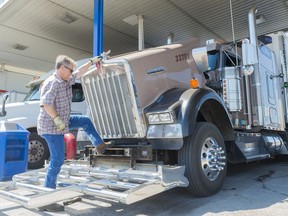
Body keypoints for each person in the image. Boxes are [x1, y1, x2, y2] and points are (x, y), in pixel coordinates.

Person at [37, 55, 113, 190]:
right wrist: (57, 119)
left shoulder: (65, 79)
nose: (72, 73)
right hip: (51, 127)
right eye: (70, 70)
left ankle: (99, 145)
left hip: (63, 120)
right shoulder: (52, 82)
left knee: (85, 120)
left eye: (72, 71)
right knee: (57, 160)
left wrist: (91, 61)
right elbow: (46, 104)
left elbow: (80, 72)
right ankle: (48, 190)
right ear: (62, 67)